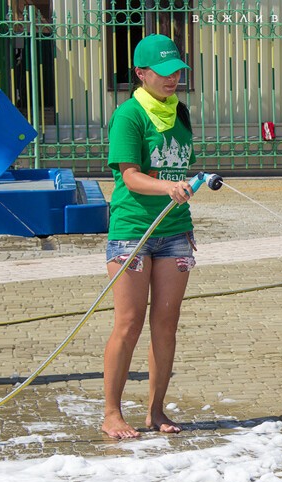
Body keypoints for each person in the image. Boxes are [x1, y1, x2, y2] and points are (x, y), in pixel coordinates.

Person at [102, 34, 196, 439]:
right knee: (128, 322)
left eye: (176, 70)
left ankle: (156, 411)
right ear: (140, 73)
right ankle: (111, 414)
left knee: (166, 323)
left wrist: (190, 183)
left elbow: (177, 167)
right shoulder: (128, 116)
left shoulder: (181, 113)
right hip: (133, 233)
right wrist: (168, 188)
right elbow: (131, 176)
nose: (172, 78)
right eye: (162, 72)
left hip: (175, 232)